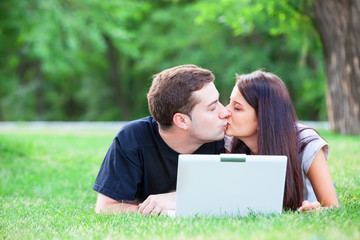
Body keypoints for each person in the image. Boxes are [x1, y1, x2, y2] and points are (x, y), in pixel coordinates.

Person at [93, 64, 229, 216]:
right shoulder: (133, 139)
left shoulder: (227, 137)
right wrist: (164, 212)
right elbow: (106, 208)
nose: (225, 112)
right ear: (182, 121)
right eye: (212, 108)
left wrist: (180, 198)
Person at [225, 70, 339, 212]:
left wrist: (315, 209)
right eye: (229, 103)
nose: (225, 111)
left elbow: (332, 207)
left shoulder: (306, 143)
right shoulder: (231, 140)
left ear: (264, 118)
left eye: (237, 108)